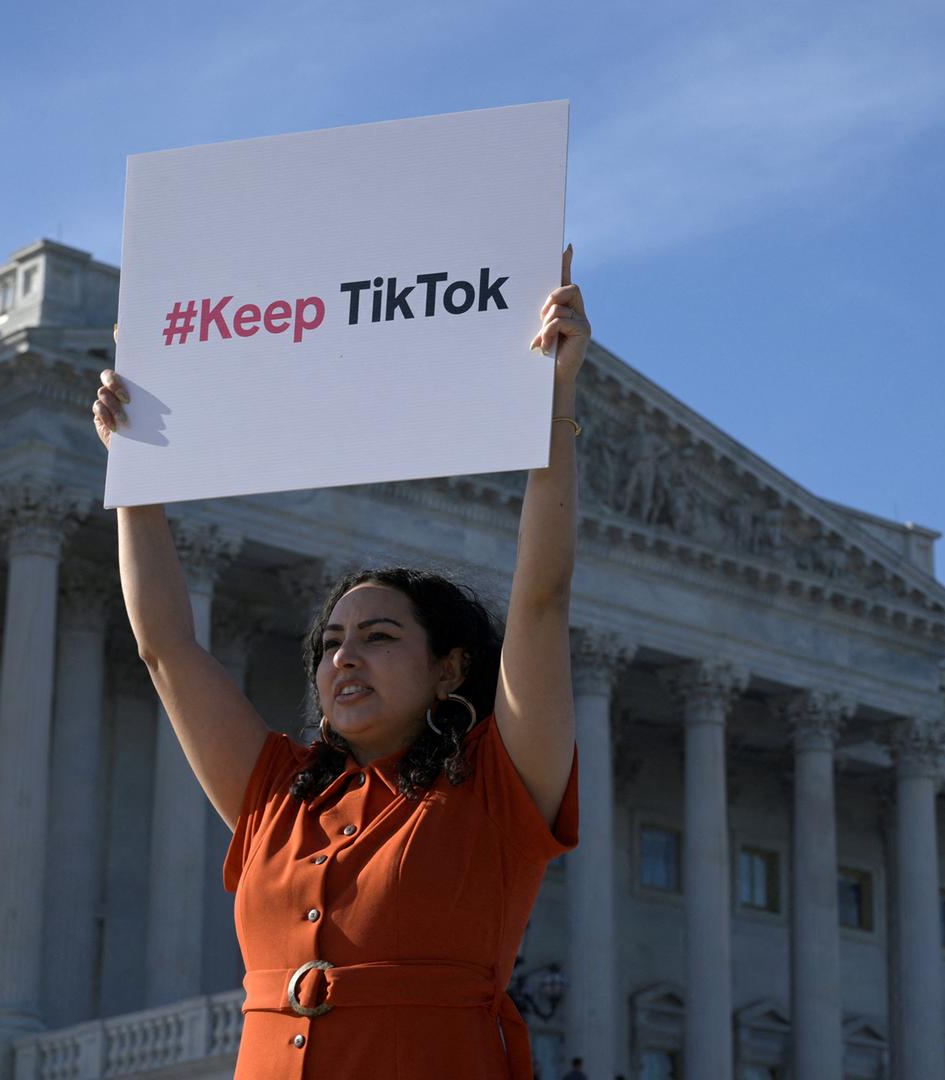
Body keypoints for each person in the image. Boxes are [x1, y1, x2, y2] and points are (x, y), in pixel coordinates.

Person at [90, 248, 592, 1078]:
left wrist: (554, 403)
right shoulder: (274, 796)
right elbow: (166, 648)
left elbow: (542, 600)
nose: (344, 657)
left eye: (380, 636)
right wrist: (133, 465)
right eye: (330, 643)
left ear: (450, 668)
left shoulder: (496, 792)